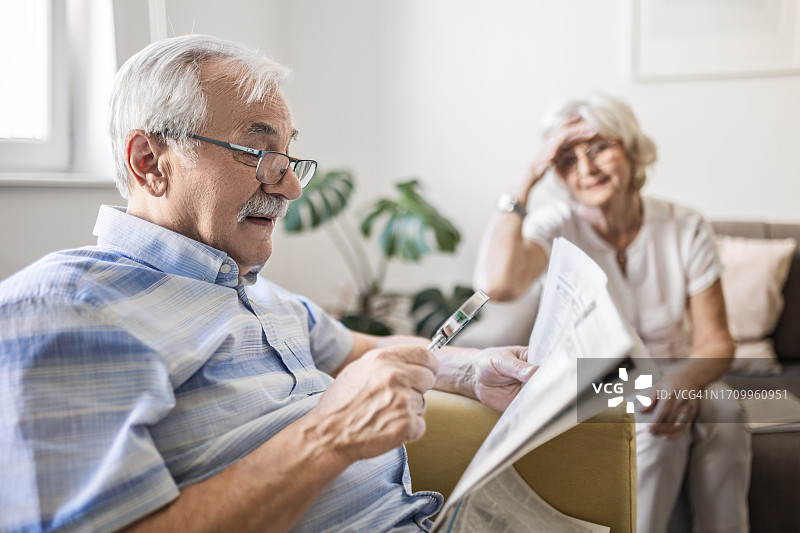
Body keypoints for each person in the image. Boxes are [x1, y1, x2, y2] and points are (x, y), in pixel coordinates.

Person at [0, 35, 537, 533]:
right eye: (259, 154)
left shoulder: (257, 292)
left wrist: (466, 369)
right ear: (150, 162)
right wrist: (332, 432)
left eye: (288, 155)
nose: (292, 186)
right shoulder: (63, 309)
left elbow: (361, 350)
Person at [474, 94, 751, 533]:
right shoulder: (553, 226)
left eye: (599, 147)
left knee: (727, 410)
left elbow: (716, 342)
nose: (585, 169)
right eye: (566, 160)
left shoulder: (685, 225)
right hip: (598, 378)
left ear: (631, 147)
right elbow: (497, 284)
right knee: (653, 414)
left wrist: (684, 380)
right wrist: (528, 174)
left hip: (678, 370)